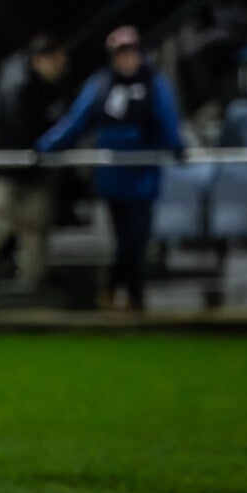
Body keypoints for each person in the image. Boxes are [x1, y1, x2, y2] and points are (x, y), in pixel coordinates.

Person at [37, 26, 186, 312]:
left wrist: (176, 147)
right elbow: (76, 121)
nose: (127, 59)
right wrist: (48, 145)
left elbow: (167, 120)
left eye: (131, 53)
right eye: (121, 54)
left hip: (142, 174)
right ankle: (125, 293)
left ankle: (131, 295)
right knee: (125, 239)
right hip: (113, 176)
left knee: (137, 238)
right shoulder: (101, 84)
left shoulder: (154, 83)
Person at [0, 33, 69, 290]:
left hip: (27, 169)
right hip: (5, 168)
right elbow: (19, 128)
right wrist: (43, 146)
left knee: (35, 228)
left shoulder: (36, 81)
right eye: (57, 60)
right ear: (41, 59)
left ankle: (33, 285)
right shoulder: (18, 84)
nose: (61, 66)